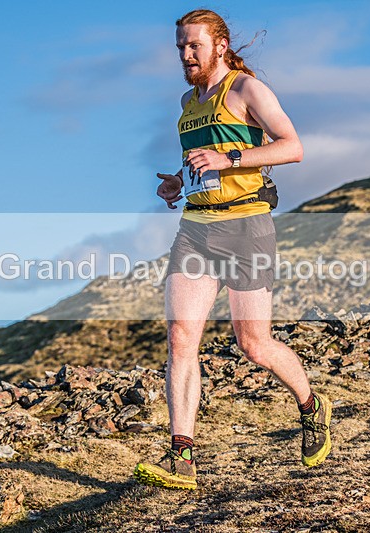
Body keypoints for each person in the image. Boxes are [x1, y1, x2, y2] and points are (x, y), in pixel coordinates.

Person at [133, 9, 331, 491]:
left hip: (247, 228)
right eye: (180, 47)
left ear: (219, 45)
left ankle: (311, 406)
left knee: (253, 344)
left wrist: (229, 159)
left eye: (194, 45)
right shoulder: (188, 101)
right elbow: (202, 159)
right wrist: (179, 181)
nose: (185, 54)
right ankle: (182, 457)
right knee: (181, 337)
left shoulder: (245, 90)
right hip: (196, 228)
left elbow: (292, 147)